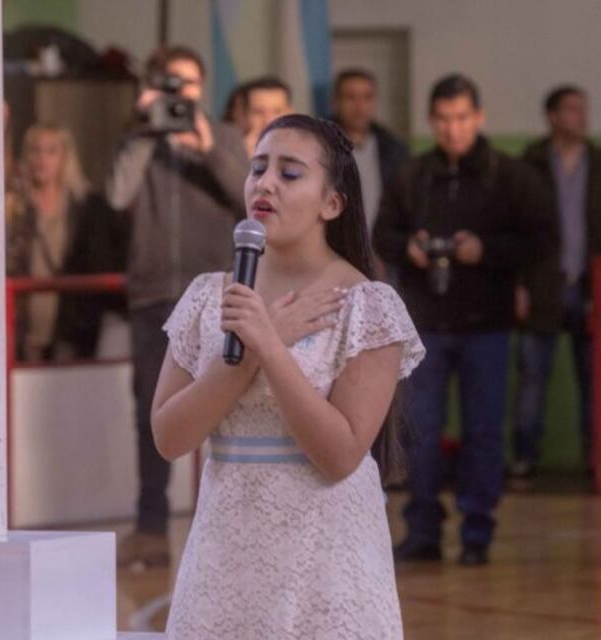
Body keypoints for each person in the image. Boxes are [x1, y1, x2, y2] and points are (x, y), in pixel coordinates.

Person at [155, 114, 424, 638]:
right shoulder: (209, 297)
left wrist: (270, 348)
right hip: (224, 547)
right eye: (258, 169)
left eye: (290, 173)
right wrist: (251, 351)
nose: (265, 183)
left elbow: (340, 454)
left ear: (332, 203)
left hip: (324, 553)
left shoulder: (368, 306)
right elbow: (169, 436)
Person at [374, 74, 555, 566]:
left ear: (478, 118)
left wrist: (487, 251)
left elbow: (541, 238)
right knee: (421, 432)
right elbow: (381, 233)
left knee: (482, 432)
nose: (452, 129)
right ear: (431, 121)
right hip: (426, 326)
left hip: (487, 325)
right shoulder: (411, 176)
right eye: (442, 119)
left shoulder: (509, 176)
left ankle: (478, 533)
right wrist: (408, 248)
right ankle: (423, 530)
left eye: (461, 118)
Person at [105, 44, 248, 569]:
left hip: (215, 294)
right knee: (152, 414)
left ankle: (230, 529)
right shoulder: (138, 140)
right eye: (169, 84)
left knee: (229, 408)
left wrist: (209, 147)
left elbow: (250, 201)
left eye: (186, 84)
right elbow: (117, 197)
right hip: (154, 298)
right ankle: (150, 528)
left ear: (203, 87)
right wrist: (145, 130)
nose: (178, 95)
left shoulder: (227, 138)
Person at [512, 85, 601, 478]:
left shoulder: (598, 163)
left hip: (589, 286)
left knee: (593, 381)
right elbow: (515, 229)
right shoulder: (530, 162)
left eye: (583, 109)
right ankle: (525, 459)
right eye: (571, 109)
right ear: (551, 116)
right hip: (541, 284)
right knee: (533, 377)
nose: (580, 117)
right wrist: (517, 285)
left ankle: (592, 459)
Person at [7, 123, 125, 361]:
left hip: (70, 327)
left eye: (51, 151)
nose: (42, 159)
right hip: (23, 324)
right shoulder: (15, 207)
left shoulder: (86, 207)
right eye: (35, 150)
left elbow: (98, 263)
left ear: (65, 157)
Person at [331, 68, 408, 235]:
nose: (359, 106)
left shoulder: (394, 150)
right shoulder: (320, 145)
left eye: (367, 97)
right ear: (336, 101)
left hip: (381, 249)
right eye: (350, 97)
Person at [240, 75, 293, 156]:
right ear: (244, 116)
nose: (268, 121)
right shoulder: (230, 156)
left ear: (290, 113)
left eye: (277, 112)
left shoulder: (309, 152)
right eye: (258, 112)